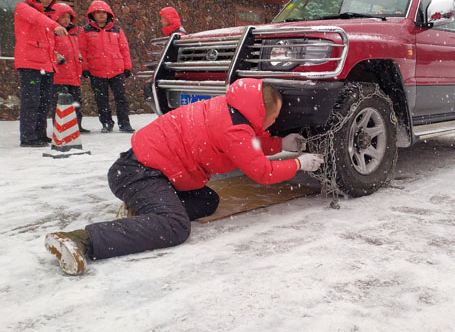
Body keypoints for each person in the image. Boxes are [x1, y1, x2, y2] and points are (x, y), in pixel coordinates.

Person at [44, 78, 324, 275]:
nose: (273, 123)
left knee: (207, 201)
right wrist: (299, 164)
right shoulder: (235, 129)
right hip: (138, 173)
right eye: (272, 117)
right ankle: (81, 239)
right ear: (258, 111)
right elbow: (262, 172)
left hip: (149, 170)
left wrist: (279, 145)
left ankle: (143, 211)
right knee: (175, 226)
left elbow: (246, 145)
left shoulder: (229, 110)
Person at [14, 0, 68, 147]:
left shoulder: (48, 15)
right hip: (30, 64)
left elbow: (48, 41)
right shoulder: (23, 7)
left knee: (44, 101)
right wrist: (55, 25)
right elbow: (37, 18)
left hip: (47, 65)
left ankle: (40, 134)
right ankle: (28, 137)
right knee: (31, 101)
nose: (46, 0)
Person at [79, 0, 135, 133]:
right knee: (101, 99)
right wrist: (84, 68)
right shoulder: (85, 31)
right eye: (98, 12)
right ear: (92, 14)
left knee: (121, 98)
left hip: (116, 69)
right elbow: (82, 50)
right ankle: (106, 123)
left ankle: (124, 123)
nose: (101, 15)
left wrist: (127, 66)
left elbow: (124, 49)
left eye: (104, 12)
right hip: (96, 70)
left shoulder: (117, 30)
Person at [49, 3, 90, 133]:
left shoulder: (73, 35)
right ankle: (60, 127)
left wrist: (80, 61)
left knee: (76, 103)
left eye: (68, 17)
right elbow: (50, 51)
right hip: (59, 76)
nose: (66, 20)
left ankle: (77, 125)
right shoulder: (53, 34)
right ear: (56, 18)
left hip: (73, 76)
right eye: (63, 17)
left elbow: (76, 53)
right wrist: (57, 57)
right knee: (60, 104)